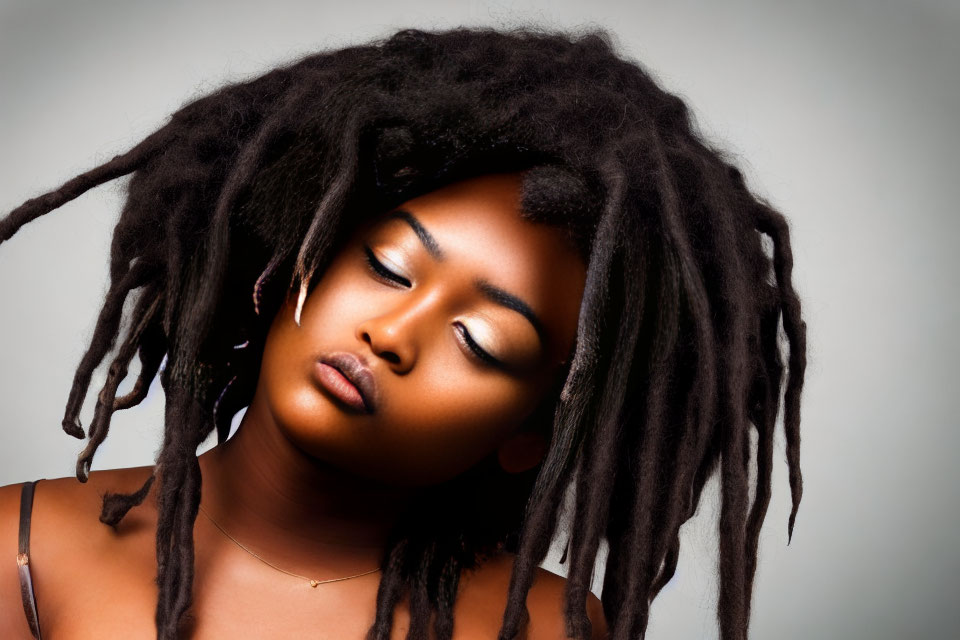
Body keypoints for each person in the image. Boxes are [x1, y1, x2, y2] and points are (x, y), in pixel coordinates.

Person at [0, 26, 807, 640]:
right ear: (288, 264)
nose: (393, 332)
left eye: (481, 342)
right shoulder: (21, 554)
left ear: (529, 431)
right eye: (388, 269)